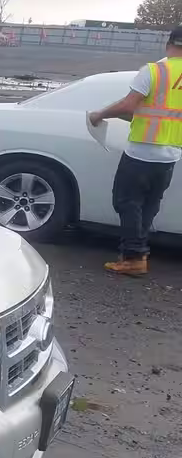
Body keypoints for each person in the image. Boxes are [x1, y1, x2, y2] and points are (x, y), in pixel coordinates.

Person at [88, 26, 182, 276]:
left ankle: (134, 257)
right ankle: (138, 252)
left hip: (142, 152)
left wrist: (100, 114)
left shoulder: (154, 71)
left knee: (126, 202)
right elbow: (167, 113)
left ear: (169, 42)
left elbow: (129, 106)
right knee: (150, 203)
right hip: (171, 153)